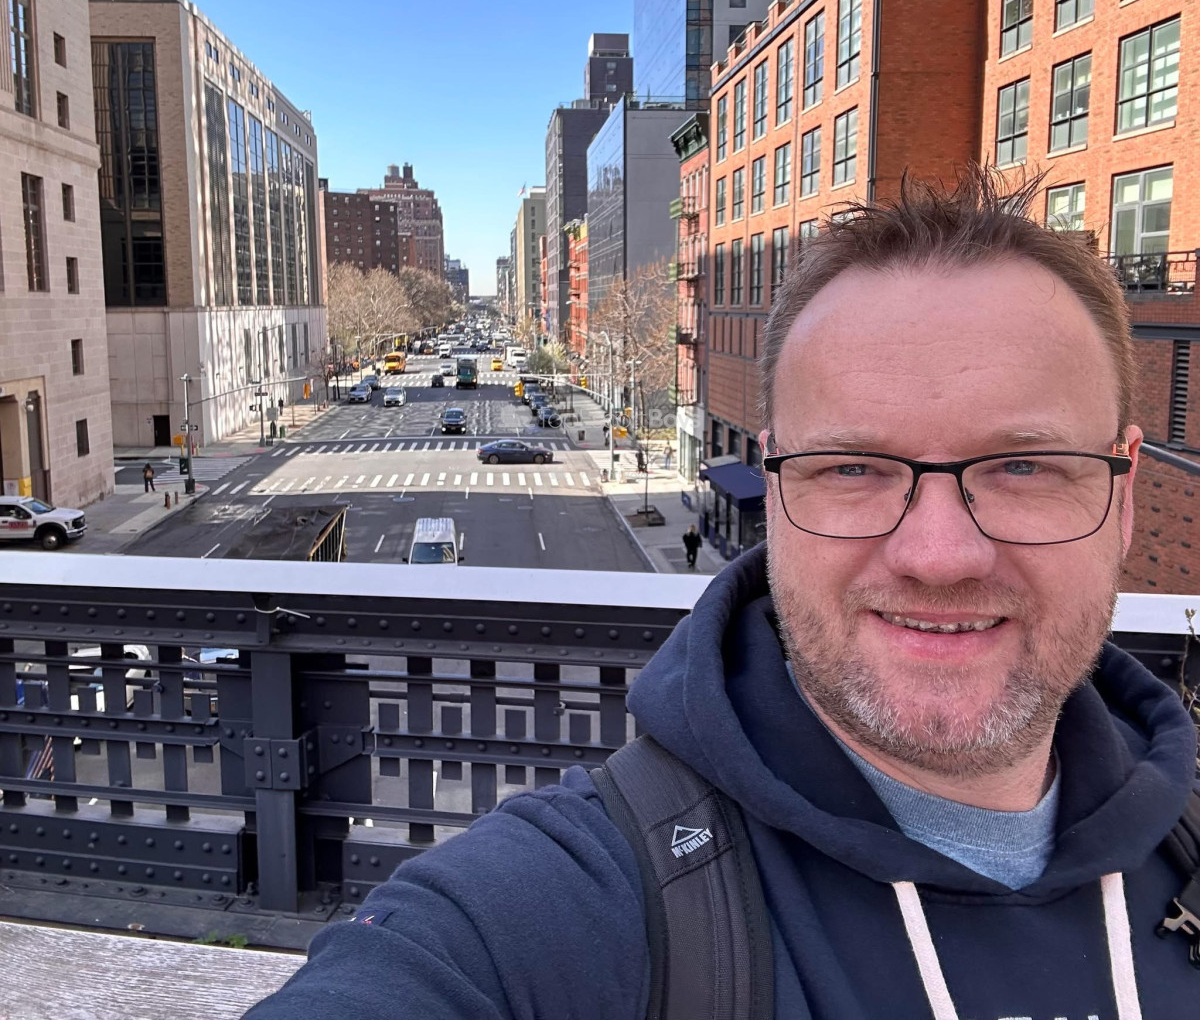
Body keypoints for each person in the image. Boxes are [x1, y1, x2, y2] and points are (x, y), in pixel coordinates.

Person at [246, 167, 1200, 1019]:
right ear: (776, 490)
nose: (940, 554)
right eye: (852, 467)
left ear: (1124, 494)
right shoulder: (561, 906)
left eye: (1024, 465)